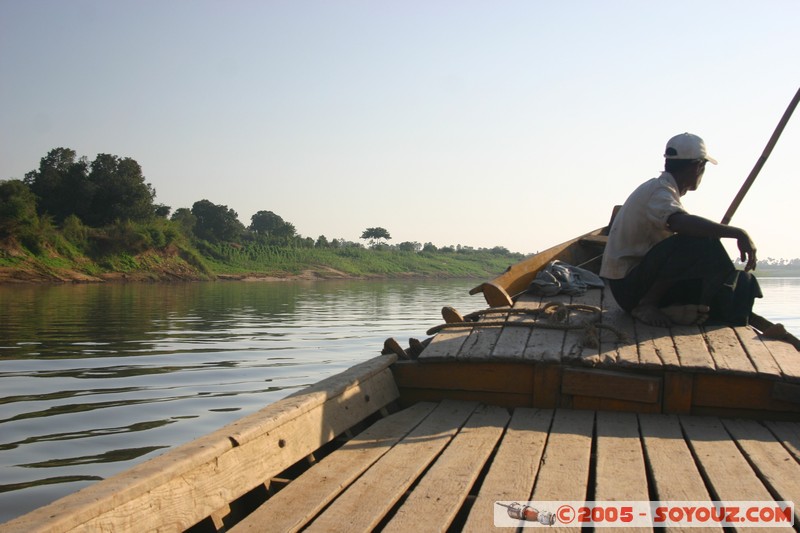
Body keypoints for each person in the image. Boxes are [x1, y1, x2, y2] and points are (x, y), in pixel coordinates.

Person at [600, 132, 761, 327]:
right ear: (698, 167)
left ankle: (685, 307)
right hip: (628, 288)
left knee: (737, 278)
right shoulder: (659, 191)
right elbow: (678, 223)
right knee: (699, 240)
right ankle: (647, 305)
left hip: (636, 284)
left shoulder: (665, 191)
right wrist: (737, 232)